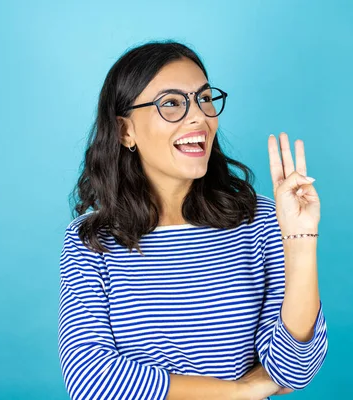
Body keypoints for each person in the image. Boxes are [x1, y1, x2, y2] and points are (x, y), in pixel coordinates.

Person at [58, 40, 328, 400]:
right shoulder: (90, 240)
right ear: (125, 131)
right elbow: (91, 380)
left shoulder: (261, 220)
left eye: (204, 99)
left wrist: (300, 240)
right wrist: (240, 392)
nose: (199, 116)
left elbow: (293, 370)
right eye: (171, 103)